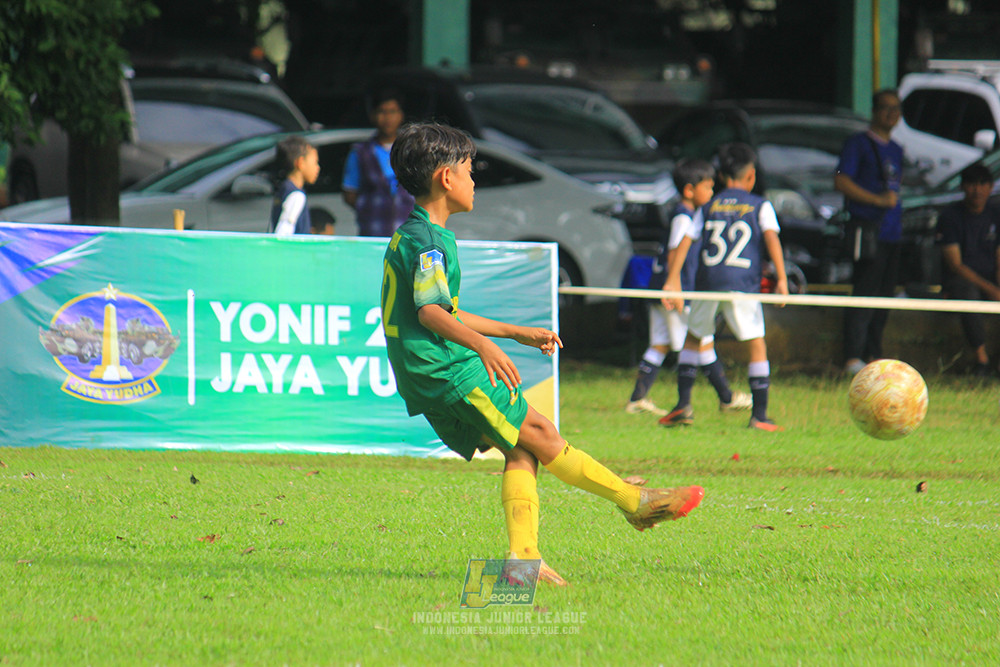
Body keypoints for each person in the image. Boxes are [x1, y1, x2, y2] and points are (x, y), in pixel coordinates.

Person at [381, 121, 704, 585]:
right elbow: (431, 313)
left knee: (522, 448)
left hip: (425, 371)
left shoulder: (415, 233)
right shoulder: (430, 241)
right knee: (540, 432)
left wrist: (515, 333)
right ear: (446, 178)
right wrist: (484, 346)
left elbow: (443, 308)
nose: (474, 180)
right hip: (446, 368)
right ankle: (636, 503)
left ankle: (523, 562)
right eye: (469, 170)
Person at [663, 143, 788, 432]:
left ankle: (683, 404)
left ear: (720, 176)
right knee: (756, 344)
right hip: (741, 283)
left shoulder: (708, 206)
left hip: (708, 283)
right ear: (751, 175)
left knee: (693, 337)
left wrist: (673, 279)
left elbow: (686, 240)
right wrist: (781, 278)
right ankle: (760, 415)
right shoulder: (760, 205)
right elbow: (771, 238)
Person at [625, 157, 751, 419]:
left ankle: (637, 398)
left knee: (660, 343)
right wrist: (675, 287)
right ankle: (726, 397)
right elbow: (674, 253)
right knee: (701, 341)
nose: (712, 193)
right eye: (708, 187)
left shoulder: (682, 214)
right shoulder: (685, 217)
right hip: (675, 292)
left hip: (661, 288)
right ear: (689, 190)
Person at [835, 89, 905, 376]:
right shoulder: (858, 144)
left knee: (885, 294)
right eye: (886, 108)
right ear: (875, 111)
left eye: (896, 109)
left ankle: (874, 353)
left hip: (892, 232)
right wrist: (876, 200)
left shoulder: (897, 149)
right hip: (867, 230)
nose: (891, 114)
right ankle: (852, 355)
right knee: (864, 291)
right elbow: (841, 181)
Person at [936, 162, 1000, 376]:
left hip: (990, 277)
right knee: (967, 293)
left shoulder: (995, 214)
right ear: (963, 187)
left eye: (983, 184)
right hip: (960, 281)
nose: (977, 190)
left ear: (990, 187)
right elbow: (956, 265)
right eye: (972, 184)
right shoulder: (950, 216)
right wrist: (992, 290)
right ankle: (981, 361)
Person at [342, 89, 415, 236]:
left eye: (392, 111)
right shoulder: (360, 152)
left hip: (408, 234)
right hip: (373, 233)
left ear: (401, 115)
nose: (388, 118)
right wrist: (370, 208)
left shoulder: (412, 151)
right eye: (382, 111)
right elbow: (350, 193)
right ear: (373, 115)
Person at [270, 136, 320, 237]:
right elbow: (283, 232)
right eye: (315, 162)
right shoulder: (296, 195)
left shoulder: (283, 189)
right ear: (300, 163)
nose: (318, 168)